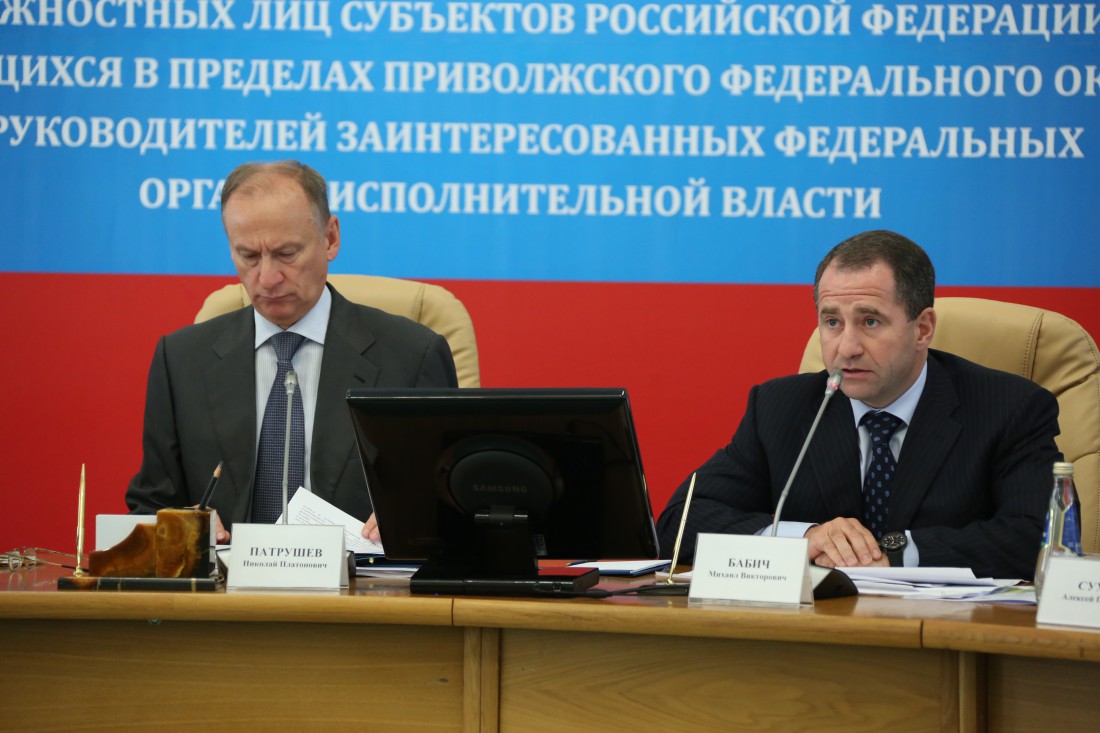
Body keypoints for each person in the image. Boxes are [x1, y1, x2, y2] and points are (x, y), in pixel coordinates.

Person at [656, 230, 1061, 579]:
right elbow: (680, 521)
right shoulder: (781, 407)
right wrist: (805, 538)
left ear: (923, 329)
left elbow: (1038, 537)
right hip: (814, 632)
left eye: (870, 321)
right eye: (832, 322)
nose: (846, 347)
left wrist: (893, 551)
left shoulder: (1010, 408)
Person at [126, 160, 457, 542]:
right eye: (249, 256)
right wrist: (177, 525)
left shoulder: (413, 356)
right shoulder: (181, 360)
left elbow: (450, 500)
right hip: (227, 580)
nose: (267, 278)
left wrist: (415, 518)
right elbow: (150, 503)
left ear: (330, 238)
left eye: (286, 253)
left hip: (360, 577)